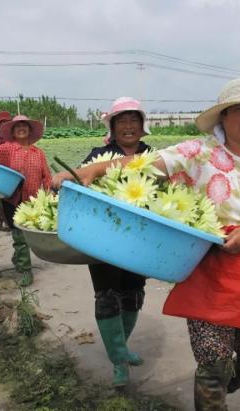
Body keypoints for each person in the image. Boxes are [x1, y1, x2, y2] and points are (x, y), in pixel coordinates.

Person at [52, 77, 240, 410]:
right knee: (213, 361)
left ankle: (217, 388)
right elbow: (142, 164)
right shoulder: (199, 152)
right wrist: (94, 170)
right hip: (210, 268)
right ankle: (211, 392)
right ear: (222, 117)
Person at [81, 97, 152, 387]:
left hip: (140, 239)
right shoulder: (98, 155)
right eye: (121, 121)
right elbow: (82, 182)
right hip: (103, 239)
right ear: (112, 126)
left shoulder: (152, 155)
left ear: (142, 126)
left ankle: (122, 347)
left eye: (134, 120)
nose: (128, 126)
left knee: (133, 294)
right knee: (108, 295)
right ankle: (119, 361)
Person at [0, 115, 52, 286]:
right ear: (13, 131)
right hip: (12, 198)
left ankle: (18, 257)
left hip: (32, 200)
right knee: (19, 235)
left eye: (24, 126)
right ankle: (25, 270)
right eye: (17, 126)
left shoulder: (39, 153)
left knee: (26, 234)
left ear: (29, 130)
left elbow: (46, 176)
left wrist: (49, 194)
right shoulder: (8, 149)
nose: (21, 128)